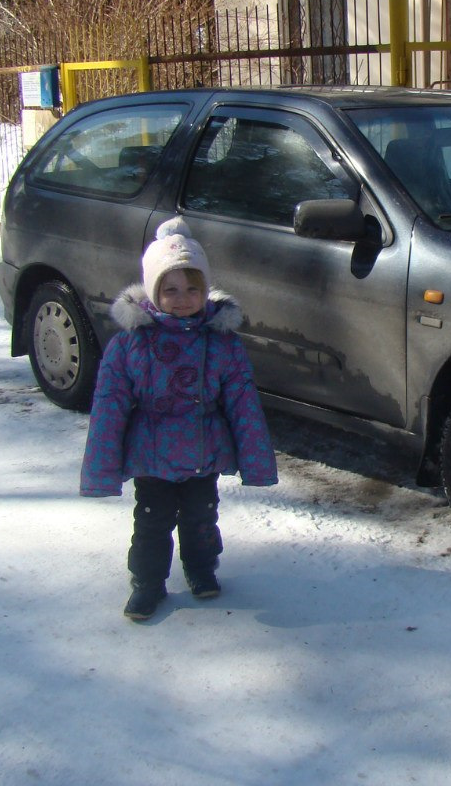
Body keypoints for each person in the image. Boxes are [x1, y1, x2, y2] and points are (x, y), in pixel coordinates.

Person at [80, 217, 278, 621]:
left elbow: (243, 403)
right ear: (153, 291)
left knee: (201, 518)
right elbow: (109, 407)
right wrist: (101, 470)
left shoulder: (222, 344)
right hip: (152, 459)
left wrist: (257, 461)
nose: (183, 298)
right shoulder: (130, 345)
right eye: (170, 289)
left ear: (206, 290)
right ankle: (147, 584)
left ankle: (201, 569)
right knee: (151, 525)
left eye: (193, 288)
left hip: (203, 454)